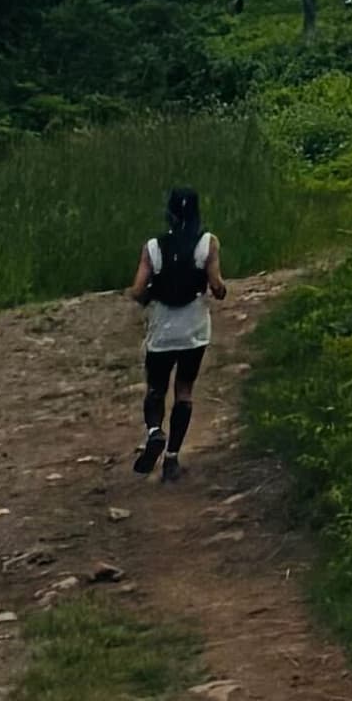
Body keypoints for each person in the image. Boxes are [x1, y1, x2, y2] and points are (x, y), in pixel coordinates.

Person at [127, 182, 227, 483]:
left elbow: (136, 290)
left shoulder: (153, 247)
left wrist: (148, 297)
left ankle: (155, 432)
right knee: (184, 390)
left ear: (168, 212)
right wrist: (220, 290)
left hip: (162, 329)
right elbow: (216, 286)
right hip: (194, 329)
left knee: (156, 388)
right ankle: (171, 458)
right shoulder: (207, 243)